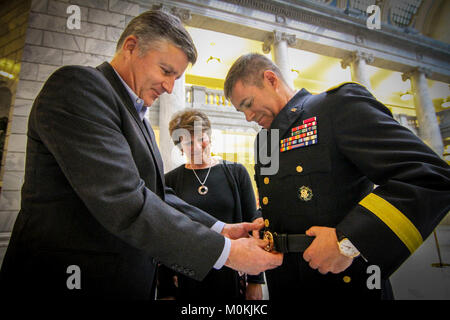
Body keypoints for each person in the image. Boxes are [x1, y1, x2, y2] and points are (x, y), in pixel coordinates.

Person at [0, 12, 282, 300]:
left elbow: (155, 194)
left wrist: (220, 229)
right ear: (131, 46)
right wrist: (226, 253)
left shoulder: (141, 119)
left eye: (177, 77)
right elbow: (124, 199)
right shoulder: (79, 87)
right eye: (166, 70)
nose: (171, 87)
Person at [224, 53, 450, 300]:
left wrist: (350, 240)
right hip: (286, 282)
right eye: (240, 110)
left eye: (247, 103)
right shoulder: (265, 141)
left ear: (271, 79)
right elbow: (276, 201)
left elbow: (428, 175)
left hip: (346, 284)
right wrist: (260, 223)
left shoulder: (337, 106)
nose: (248, 117)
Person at [157, 109, 265, 300]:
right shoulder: (169, 181)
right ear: (180, 146)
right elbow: (166, 234)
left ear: (210, 136)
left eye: (201, 138)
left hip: (233, 270)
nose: (197, 146)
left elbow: (253, 224)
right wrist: (166, 288)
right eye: (189, 142)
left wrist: (256, 280)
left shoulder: (236, 173)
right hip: (189, 275)